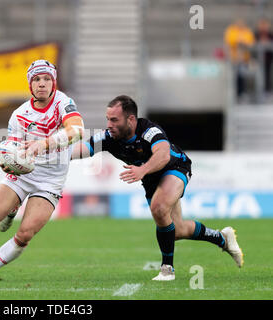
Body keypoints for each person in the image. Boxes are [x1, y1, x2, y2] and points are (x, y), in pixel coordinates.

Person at [71, 95, 243, 281]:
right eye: (107, 119)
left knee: (159, 208)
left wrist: (143, 169)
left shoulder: (149, 131)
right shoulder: (109, 136)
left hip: (175, 167)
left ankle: (167, 269)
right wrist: (52, 154)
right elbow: (84, 148)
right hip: (151, 179)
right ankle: (222, 239)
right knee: (177, 231)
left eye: (114, 120)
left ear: (130, 119)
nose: (109, 124)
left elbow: (163, 155)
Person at [0, 60, 84, 282]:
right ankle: (13, 207)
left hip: (51, 180)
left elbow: (78, 131)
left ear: (53, 82)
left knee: (25, 234)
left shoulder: (63, 102)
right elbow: (12, 149)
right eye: (36, 79)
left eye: (47, 79)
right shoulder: (19, 114)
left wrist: (42, 144)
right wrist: (8, 162)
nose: (42, 84)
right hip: (24, 175)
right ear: (30, 85)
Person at [224, 18, 255, 100]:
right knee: (234, 77)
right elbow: (229, 42)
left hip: (245, 60)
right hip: (233, 59)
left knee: (242, 76)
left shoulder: (247, 31)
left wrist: (243, 42)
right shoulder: (231, 30)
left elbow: (251, 43)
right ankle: (234, 93)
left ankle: (242, 93)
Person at [254, 17, 273, 96]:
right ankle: (258, 91)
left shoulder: (270, 35)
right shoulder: (256, 35)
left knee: (268, 74)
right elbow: (252, 44)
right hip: (258, 59)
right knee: (260, 74)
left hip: (269, 58)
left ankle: (268, 90)